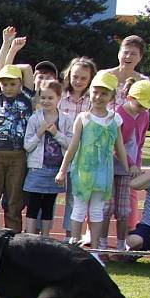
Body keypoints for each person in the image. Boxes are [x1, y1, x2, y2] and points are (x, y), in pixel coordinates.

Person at [56, 70, 128, 265]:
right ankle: (75, 246)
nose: (98, 97)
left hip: (103, 173)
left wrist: (129, 167)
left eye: (104, 93)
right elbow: (73, 146)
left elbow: (119, 146)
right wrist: (63, 169)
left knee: (97, 210)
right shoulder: (83, 118)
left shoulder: (115, 119)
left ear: (112, 97)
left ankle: (94, 249)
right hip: (83, 171)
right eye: (95, 92)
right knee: (78, 208)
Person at [0, 27, 35, 231]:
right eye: (4, 83)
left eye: (12, 83)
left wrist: (14, 50)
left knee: (14, 200)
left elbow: (28, 69)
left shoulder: (27, 98)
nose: (7, 87)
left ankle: (12, 235)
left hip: (17, 155)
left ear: (20, 84)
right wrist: (6, 45)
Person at [101, 79, 150, 251]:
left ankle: (121, 245)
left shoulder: (145, 115)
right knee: (107, 207)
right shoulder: (117, 115)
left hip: (130, 169)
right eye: (141, 104)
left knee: (124, 209)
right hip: (112, 166)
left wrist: (137, 165)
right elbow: (115, 145)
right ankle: (103, 245)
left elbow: (140, 142)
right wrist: (131, 164)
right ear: (130, 98)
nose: (143, 109)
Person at [23, 80, 74, 237]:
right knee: (33, 205)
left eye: (50, 98)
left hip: (56, 170)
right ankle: (30, 237)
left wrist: (56, 133)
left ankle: (45, 238)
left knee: (48, 205)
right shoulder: (34, 118)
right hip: (37, 169)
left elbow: (71, 144)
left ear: (59, 98)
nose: (46, 101)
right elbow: (27, 146)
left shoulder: (66, 119)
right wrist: (39, 132)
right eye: (43, 97)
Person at [59, 56, 97, 238]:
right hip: (59, 155)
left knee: (75, 199)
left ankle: (71, 235)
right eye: (75, 77)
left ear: (90, 79)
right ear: (68, 76)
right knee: (53, 197)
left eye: (83, 78)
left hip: (83, 158)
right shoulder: (59, 98)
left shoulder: (92, 101)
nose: (78, 81)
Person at [106, 35, 147, 108]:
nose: (128, 56)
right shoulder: (104, 76)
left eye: (133, 54)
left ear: (140, 57)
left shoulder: (144, 82)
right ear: (119, 54)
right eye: (125, 52)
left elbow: (144, 110)